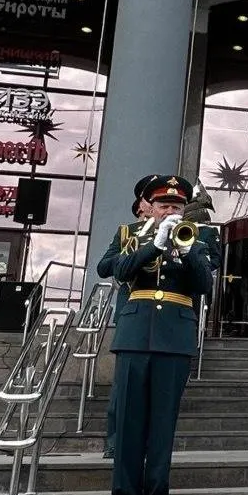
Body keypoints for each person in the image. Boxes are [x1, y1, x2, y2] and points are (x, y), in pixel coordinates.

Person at [102, 175, 213, 495]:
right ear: (150, 206)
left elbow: (204, 285)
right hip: (135, 334)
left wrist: (186, 251)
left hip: (174, 338)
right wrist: (155, 244)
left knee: (163, 426)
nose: (170, 211)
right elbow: (117, 270)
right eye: (164, 205)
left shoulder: (198, 239)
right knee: (129, 423)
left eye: (177, 206)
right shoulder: (129, 235)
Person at [96, 174, 156, 460]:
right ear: (141, 205)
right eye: (151, 199)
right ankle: (115, 442)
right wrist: (131, 257)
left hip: (165, 317)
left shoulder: (180, 230)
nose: (156, 204)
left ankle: (149, 445)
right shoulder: (126, 233)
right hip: (132, 311)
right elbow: (104, 267)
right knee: (124, 385)